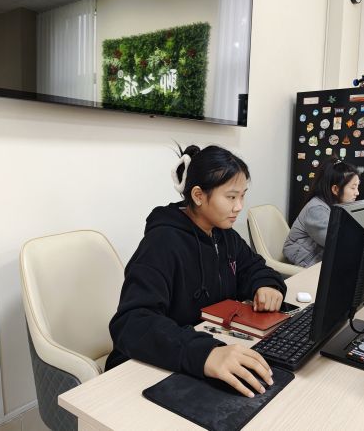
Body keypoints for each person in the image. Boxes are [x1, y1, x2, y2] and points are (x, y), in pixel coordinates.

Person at [105, 144, 287, 398]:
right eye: (231, 197)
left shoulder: (225, 235)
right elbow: (132, 323)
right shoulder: (162, 243)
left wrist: (266, 284)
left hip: (202, 350)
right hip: (151, 368)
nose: (239, 207)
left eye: (242, 196)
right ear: (199, 195)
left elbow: (253, 267)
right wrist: (206, 353)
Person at [283, 157, 364, 268]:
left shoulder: (340, 204)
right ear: (335, 189)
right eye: (353, 187)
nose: (357, 192)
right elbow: (340, 243)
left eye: (357, 186)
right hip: (307, 259)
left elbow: (363, 226)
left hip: (322, 255)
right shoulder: (316, 209)